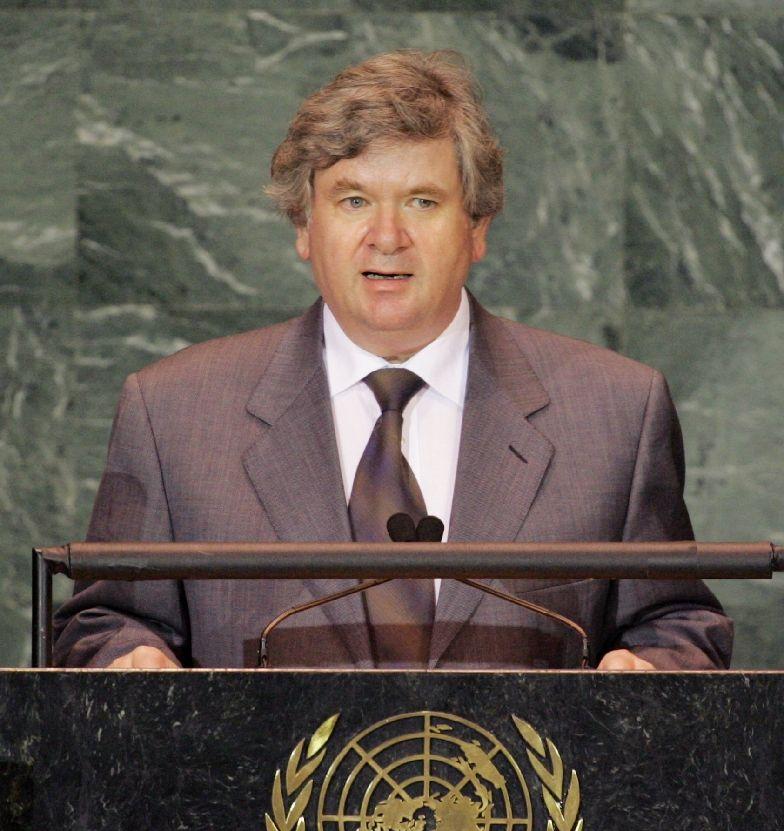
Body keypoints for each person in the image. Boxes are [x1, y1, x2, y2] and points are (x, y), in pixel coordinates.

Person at [53, 50, 732, 672]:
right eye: (354, 201)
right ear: (304, 225)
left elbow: (674, 623)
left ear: (477, 227)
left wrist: (650, 672)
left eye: (422, 202)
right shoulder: (173, 413)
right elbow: (104, 621)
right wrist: (129, 661)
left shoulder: (616, 413)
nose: (387, 237)